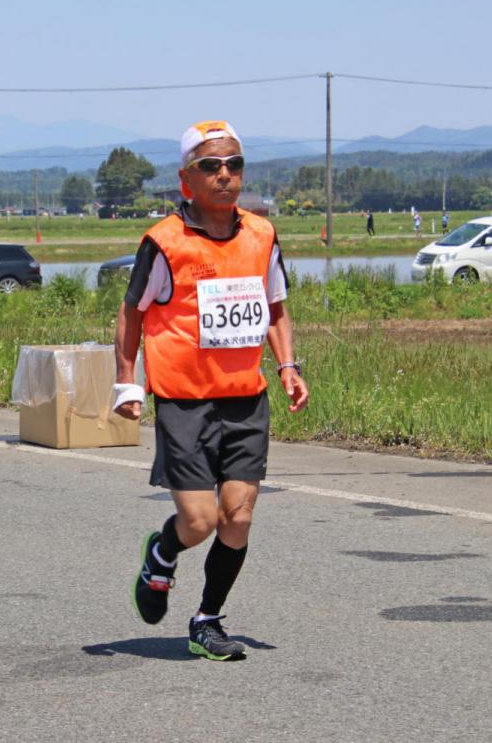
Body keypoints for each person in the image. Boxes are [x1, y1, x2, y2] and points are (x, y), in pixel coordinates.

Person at [114, 120, 309, 661]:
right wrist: (125, 383)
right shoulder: (164, 243)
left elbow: (274, 307)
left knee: (239, 516)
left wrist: (288, 364)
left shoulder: (262, 235)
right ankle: (162, 552)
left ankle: (207, 619)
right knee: (199, 521)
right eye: (210, 166)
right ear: (186, 180)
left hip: (245, 396)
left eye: (234, 165)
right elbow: (131, 315)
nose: (224, 175)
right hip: (183, 399)